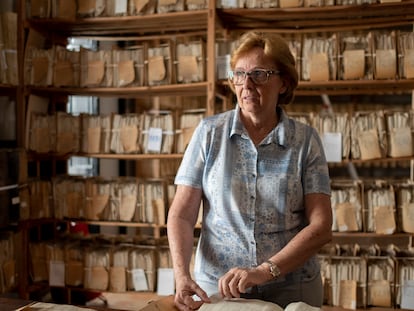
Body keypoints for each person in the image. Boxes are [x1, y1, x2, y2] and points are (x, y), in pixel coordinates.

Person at [167, 31, 332, 311]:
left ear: (284, 83)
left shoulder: (305, 141)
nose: (246, 84)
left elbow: (321, 226)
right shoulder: (209, 134)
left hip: (292, 290)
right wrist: (182, 276)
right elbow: (182, 214)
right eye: (239, 74)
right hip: (219, 289)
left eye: (259, 74)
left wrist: (264, 271)